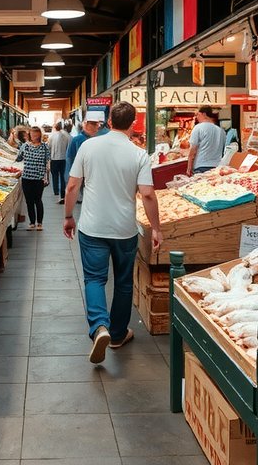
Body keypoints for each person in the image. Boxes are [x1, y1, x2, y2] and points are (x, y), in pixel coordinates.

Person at [63, 101, 162, 364]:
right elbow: (148, 194)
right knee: (124, 282)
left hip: (92, 227)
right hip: (124, 229)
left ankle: (99, 327)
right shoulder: (139, 154)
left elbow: (72, 186)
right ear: (133, 123)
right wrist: (156, 228)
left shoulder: (88, 146)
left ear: (108, 121)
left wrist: (68, 216)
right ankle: (118, 334)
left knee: (94, 279)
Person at [16, 126, 50, 231]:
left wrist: (47, 177)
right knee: (29, 201)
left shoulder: (44, 146)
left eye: (36, 133)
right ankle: (31, 222)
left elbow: (47, 162)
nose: (34, 135)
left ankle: (39, 223)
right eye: (32, 133)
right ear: (29, 134)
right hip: (26, 177)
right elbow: (18, 158)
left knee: (38, 200)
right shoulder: (25, 146)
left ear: (40, 135)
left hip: (39, 178)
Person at [65, 111, 104, 202]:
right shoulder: (77, 140)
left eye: (97, 124)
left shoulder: (101, 139)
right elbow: (70, 159)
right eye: (92, 124)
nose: (96, 127)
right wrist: (71, 177)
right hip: (82, 176)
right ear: (85, 124)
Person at [186, 105, 226, 175]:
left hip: (201, 166)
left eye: (198, 114)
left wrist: (189, 168)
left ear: (204, 114)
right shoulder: (221, 131)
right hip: (217, 167)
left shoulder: (198, 128)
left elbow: (193, 150)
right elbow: (223, 150)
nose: (196, 117)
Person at [48, 121, 71, 204]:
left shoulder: (52, 136)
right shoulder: (67, 136)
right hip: (63, 159)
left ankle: (56, 190)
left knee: (54, 175)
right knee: (62, 176)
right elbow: (68, 147)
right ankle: (62, 191)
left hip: (54, 159)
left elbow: (49, 147)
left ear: (55, 127)